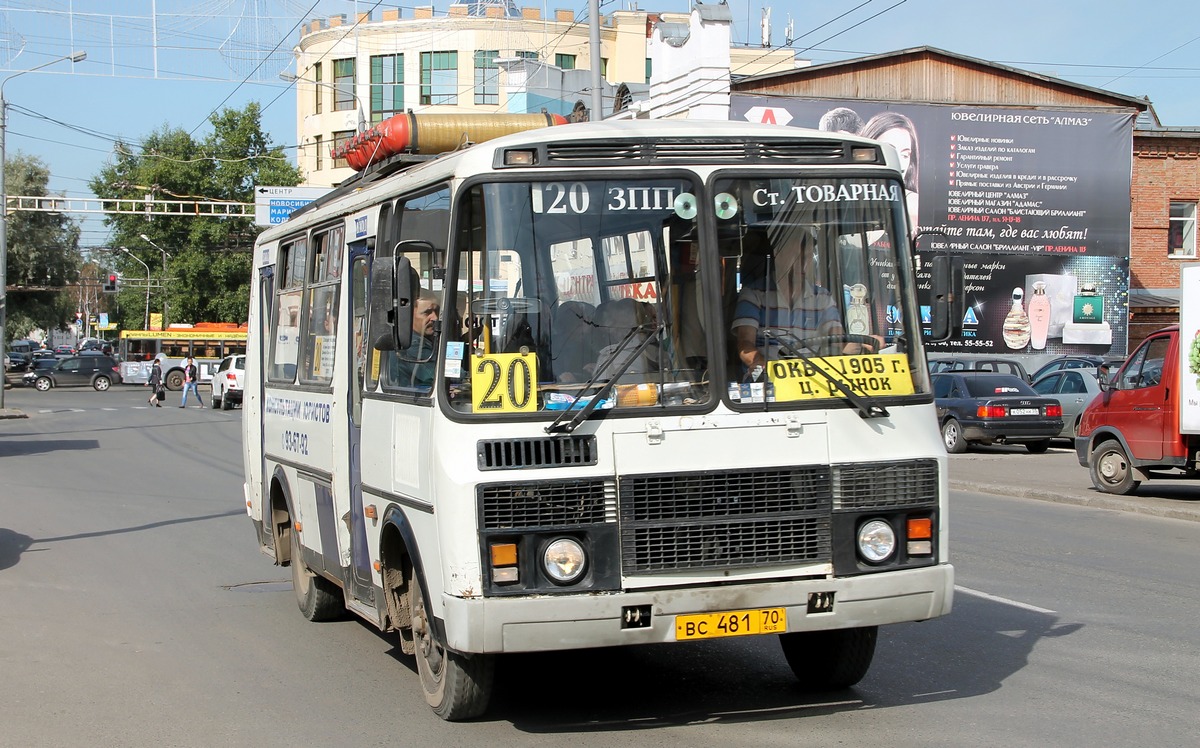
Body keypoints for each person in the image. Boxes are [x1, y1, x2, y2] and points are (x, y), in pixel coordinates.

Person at [732, 231, 845, 375]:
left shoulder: (823, 298)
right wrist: (761, 365)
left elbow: (837, 340)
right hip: (769, 380)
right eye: (797, 257)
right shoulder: (754, 294)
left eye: (808, 257)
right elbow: (745, 344)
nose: (804, 264)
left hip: (813, 382)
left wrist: (860, 344)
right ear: (779, 255)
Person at [859, 111, 920, 233]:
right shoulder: (843, 196)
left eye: (905, 155)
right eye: (889, 151)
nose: (899, 163)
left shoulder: (912, 205)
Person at [390, 290, 440, 390]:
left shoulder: (424, 339)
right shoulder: (412, 344)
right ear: (408, 316)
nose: (435, 317)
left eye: (436, 311)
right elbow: (439, 375)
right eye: (427, 312)